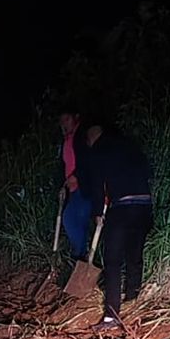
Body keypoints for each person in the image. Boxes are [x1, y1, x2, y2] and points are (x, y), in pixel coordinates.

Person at [85, 123, 153, 329]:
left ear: (93, 136)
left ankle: (111, 316)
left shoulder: (99, 150)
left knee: (113, 261)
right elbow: (148, 171)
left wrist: (98, 212)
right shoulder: (131, 145)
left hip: (122, 207)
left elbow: (97, 185)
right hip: (144, 204)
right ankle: (133, 297)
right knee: (135, 255)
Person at [57, 108, 94, 260]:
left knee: (71, 218)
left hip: (84, 186)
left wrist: (77, 176)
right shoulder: (67, 139)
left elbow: (88, 160)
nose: (64, 124)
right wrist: (63, 184)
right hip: (72, 188)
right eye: (62, 121)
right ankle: (79, 257)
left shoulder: (82, 135)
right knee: (74, 220)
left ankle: (79, 257)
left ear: (76, 117)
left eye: (67, 119)